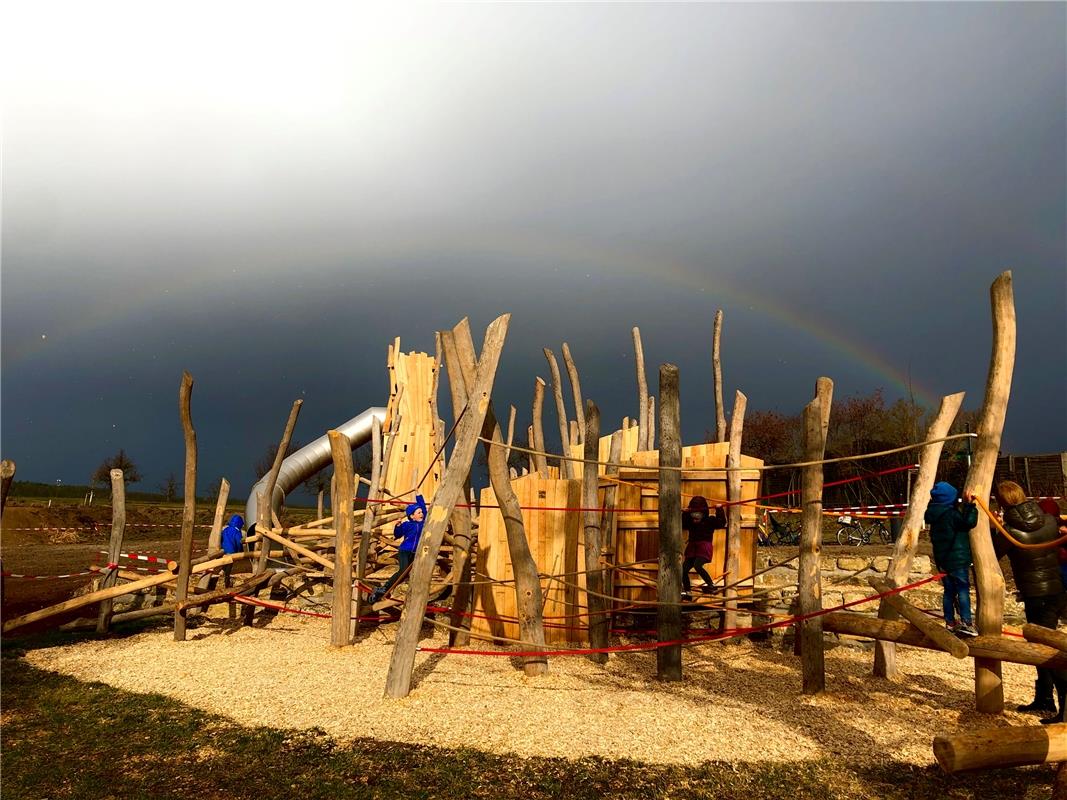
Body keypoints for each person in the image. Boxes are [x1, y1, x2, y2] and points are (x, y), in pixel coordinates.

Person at [994, 481, 1067, 722]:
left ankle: (1064, 706)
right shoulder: (1049, 520)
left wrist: (989, 527)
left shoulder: (1010, 531)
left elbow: (993, 552)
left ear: (1002, 502)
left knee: (1047, 649)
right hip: (1056, 589)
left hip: (1037, 594)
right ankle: (1044, 697)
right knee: (1042, 645)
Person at [925, 482, 979, 637]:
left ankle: (949, 621)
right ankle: (966, 622)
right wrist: (970, 506)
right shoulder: (951, 515)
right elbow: (969, 522)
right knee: (962, 589)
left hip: (943, 559)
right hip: (958, 558)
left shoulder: (933, 514)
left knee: (948, 591)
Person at [368, 495, 427, 605]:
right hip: (405, 550)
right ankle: (384, 588)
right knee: (403, 570)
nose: (421, 514)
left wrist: (418, 495)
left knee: (408, 573)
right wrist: (398, 526)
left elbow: (423, 508)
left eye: (421, 512)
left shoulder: (424, 524)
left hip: (415, 553)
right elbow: (397, 535)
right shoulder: (407, 525)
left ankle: (394, 590)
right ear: (412, 516)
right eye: (418, 513)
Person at [681, 495, 726, 600]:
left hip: (704, 547)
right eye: (694, 516)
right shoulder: (690, 522)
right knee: (683, 570)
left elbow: (721, 523)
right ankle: (688, 592)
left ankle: (711, 585)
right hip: (692, 548)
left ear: (703, 514)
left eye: (698, 516)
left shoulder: (709, 521)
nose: (695, 519)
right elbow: (684, 523)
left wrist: (719, 509)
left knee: (697, 565)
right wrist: (686, 513)